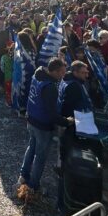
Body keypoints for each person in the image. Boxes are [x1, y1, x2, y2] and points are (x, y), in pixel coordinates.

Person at [17, 57, 74, 201]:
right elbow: (52, 114)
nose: (63, 75)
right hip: (42, 125)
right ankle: (33, 185)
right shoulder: (50, 87)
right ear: (53, 71)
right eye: (61, 72)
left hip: (31, 119)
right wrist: (66, 121)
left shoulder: (38, 74)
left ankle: (23, 175)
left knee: (32, 147)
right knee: (40, 156)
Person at [12, 30, 36, 114]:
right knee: (26, 90)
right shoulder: (31, 49)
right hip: (29, 73)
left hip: (23, 74)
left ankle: (21, 107)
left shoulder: (23, 51)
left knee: (22, 90)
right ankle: (25, 107)